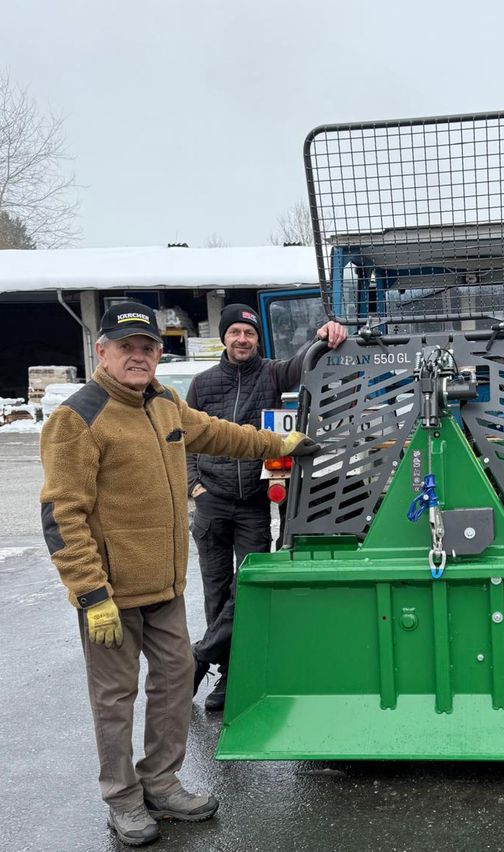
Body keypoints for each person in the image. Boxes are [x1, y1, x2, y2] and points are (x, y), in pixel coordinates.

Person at [39, 301, 320, 847]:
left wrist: (277, 443)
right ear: (103, 352)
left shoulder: (164, 403)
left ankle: (161, 783)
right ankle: (122, 800)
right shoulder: (77, 418)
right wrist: (90, 593)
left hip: (165, 588)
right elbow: (61, 514)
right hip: (112, 596)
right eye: (126, 348)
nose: (138, 357)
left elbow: (217, 433)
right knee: (115, 699)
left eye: (147, 348)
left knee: (172, 684)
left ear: (157, 354)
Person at [186, 303, 346, 711]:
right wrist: (194, 487)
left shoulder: (273, 374)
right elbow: (182, 437)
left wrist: (323, 334)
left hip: (254, 504)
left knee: (248, 590)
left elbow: (303, 363)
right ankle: (222, 672)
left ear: (259, 340)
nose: (242, 339)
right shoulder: (202, 384)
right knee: (216, 591)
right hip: (211, 502)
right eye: (236, 332)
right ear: (224, 337)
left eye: (250, 334)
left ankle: (206, 660)